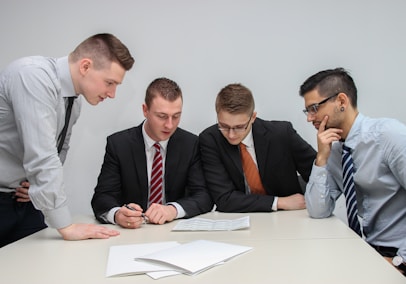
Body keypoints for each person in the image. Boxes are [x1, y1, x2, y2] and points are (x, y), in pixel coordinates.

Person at [0, 33, 135, 247]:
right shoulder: (32, 76)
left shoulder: (74, 102)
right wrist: (67, 226)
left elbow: (59, 151)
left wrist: (35, 187)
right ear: (85, 66)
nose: (112, 94)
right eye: (109, 83)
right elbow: (43, 158)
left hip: (23, 201)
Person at [299, 67, 406, 276]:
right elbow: (318, 211)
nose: (310, 118)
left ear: (341, 101)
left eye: (314, 108)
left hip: (397, 256)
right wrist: (321, 159)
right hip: (365, 251)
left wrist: (401, 261)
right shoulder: (335, 149)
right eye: (307, 111)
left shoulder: (389, 136)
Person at [91, 77, 213, 228]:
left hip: (173, 231)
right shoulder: (119, 145)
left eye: (176, 116)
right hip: (132, 233)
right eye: (161, 116)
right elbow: (102, 197)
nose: (169, 125)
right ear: (145, 110)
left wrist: (172, 210)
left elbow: (204, 196)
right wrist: (118, 215)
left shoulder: (190, 144)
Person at [199, 83, 316, 213]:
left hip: (289, 218)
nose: (231, 135)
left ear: (253, 117)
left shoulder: (282, 134)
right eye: (224, 126)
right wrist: (279, 202)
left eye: (239, 127)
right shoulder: (210, 140)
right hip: (239, 218)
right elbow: (224, 199)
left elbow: (318, 174)